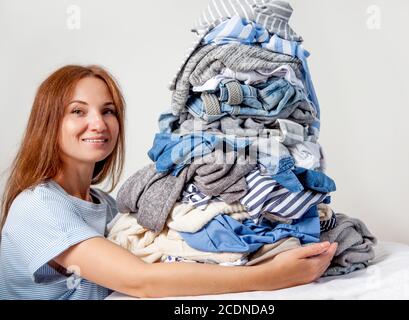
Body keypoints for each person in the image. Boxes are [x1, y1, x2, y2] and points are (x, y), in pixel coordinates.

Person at [0, 65, 337, 300]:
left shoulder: (106, 205)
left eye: (108, 111)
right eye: (78, 111)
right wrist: (268, 277)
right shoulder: (37, 206)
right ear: (48, 122)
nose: (98, 123)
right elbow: (141, 280)